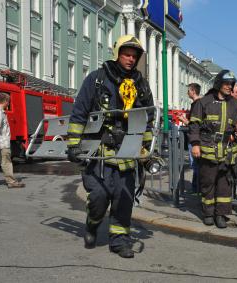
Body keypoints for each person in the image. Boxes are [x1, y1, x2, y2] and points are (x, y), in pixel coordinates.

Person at [67, 35, 154, 258]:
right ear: (117, 53)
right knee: (98, 196)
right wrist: (74, 145)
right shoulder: (97, 79)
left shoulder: (140, 85)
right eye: (127, 54)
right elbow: (80, 112)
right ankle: (92, 223)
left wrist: (147, 149)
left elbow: (147, 118)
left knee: (123, 199)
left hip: (127, 152)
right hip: (99, 153)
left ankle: (120, 241)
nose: (131, 59)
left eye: (134, 56)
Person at [188, 70, 237, 228]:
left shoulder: (236, 103)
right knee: (208, 182)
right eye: (226, 83)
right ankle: (208, 213)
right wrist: (195, 144)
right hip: (207, 149)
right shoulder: (204, 102)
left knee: (224, 183)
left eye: (231, 84)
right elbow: (194, 124)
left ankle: (221, 214)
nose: (229, 87)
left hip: (227, 151)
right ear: (218, 83)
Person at [0, 92, 25, 189]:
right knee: (6, 162)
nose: (9, 104)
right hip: (1, 143)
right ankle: (11, 182)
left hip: (0, 142)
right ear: (6, 101)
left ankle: (11, 181)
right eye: (9, 102)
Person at [177, 83, 201, 193]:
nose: (187, 92)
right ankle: (196, 187)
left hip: (195, 138)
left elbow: (194, 124)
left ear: (193, 91)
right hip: (196, 137)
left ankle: (196, 188)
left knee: (195, 164)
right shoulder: (199, 103)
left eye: (188, 90)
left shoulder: (197, 104)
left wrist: (184, 120)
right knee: (196, 164)